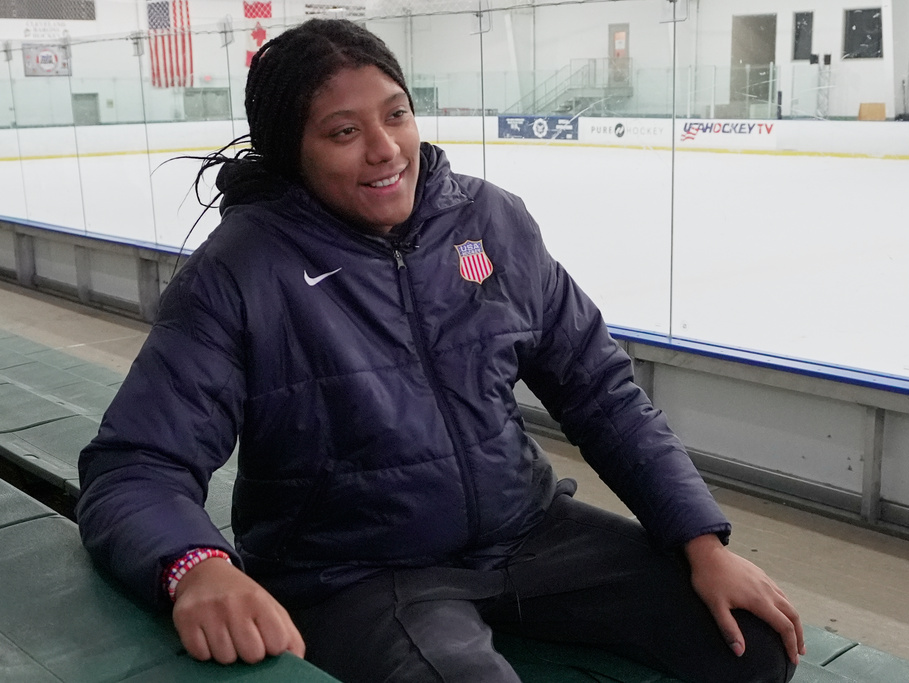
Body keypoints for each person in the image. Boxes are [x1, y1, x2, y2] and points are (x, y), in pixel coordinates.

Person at [77, 18, 803, 683]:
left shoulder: (490, 221)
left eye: (396, 114)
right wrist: (196, 567)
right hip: (359, 574)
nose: (385, 148)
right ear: (291, 152)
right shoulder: (242, 271)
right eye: (343, 131)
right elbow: (135, 465)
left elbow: (600, 390)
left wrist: (700, 540)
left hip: (526, 533)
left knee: (752, 642)